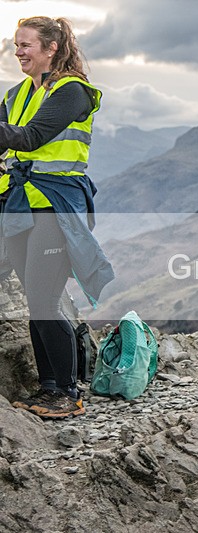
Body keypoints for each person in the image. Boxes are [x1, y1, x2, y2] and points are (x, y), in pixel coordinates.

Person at [0, 16, 113, 419]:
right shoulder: (15, 95)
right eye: (16, 45)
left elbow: (29, 138)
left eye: (26, 44)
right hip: (18, 204)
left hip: (56, 205)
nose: (18, 52)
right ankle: (50, 386)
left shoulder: (73, 92)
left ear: (51, 47)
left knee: (45, 299)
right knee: (35, 298)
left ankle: (67, 391)